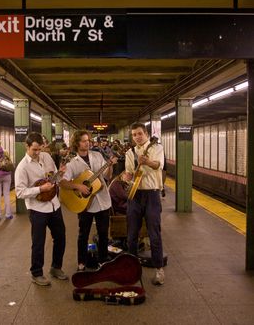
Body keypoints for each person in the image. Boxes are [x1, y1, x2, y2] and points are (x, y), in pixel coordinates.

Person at [59, 130, 117, 271]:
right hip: (84, 203)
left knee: (103, 233)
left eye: (88, 140)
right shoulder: (72, 162)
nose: (88, 143)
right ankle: (82, 262)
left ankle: (102, 260)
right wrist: (78, 185)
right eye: (84, 141)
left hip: (102, 200)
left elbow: (107, 176)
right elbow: (62, 182)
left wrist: (110, 166)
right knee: (83, 234)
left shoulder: (97, 155)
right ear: (77, 143)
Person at [15, 132, 67, 286]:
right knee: (38, 241)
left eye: (40, 149)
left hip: (54, 205)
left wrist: (60, 174)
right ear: (27, 146)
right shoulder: (22, 167)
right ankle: (36, 273)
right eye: (35, 150)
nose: (38, 153)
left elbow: (53, 178)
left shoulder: (47, 157)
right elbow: (19, 192)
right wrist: (40, 189)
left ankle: (56, 267)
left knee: (61, 237)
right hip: (37, 209)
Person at [124, 122, 165, 285]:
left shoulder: (156, 148)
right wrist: (126, 177)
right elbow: (128, 172)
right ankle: (132, 269)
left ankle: (159, 270)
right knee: (131, 234)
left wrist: (146, 162)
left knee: (154, 233)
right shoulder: (130, 152)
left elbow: (158, 165)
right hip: (135, 194)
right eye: (134, 135)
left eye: (139, 133)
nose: (137, 137)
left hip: (152, 194)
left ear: (146, 133)